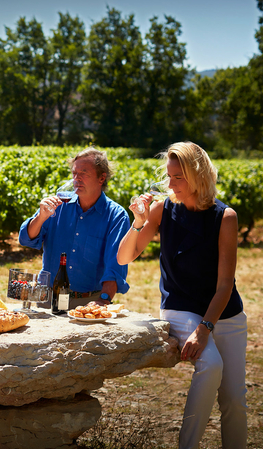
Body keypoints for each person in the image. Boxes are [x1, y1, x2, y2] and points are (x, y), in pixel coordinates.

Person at [116, 142, 247, 449]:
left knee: (235, 400)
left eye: (178, 177)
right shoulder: (163, 209)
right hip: (179, 307)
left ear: (198, 176)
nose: (170, 184)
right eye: (169, 176)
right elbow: (124, 257)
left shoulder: (225, 217)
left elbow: (225, 284)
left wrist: (205, 329)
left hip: (224, 311)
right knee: (211, 365)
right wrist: (138, 221)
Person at [19, 147, 130, 307]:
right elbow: (25, 239)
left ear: (101, 178)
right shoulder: (57, 205)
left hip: (89, 302)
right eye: (74, 173)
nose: (76, 179)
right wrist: (41, 217)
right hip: (48, 299)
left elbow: (115, 265)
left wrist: (103, 300)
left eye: (84, 173)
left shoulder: (116, 216)